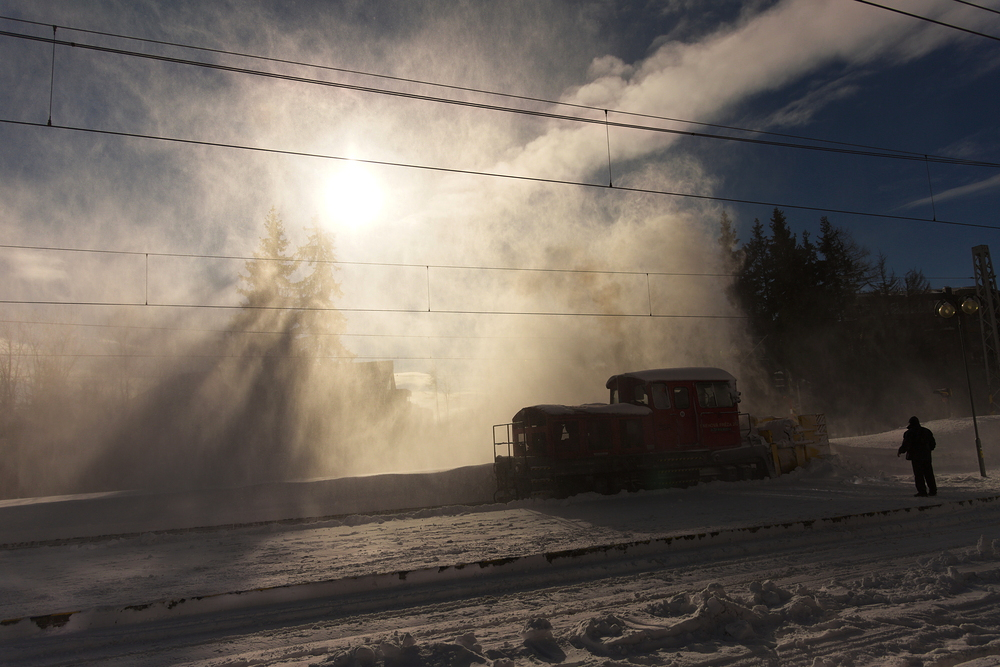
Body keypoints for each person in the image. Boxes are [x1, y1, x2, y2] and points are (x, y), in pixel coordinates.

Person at [897, 416, 937, 497]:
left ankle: (922, 491)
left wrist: (901, 451)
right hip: (926, 456)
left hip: (916, 457)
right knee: (929, 473)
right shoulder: (926, 431)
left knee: (919, 475)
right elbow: (933, 444)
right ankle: (933, 490)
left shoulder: (909, 433)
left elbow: (906, 444)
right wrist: (928, 450)